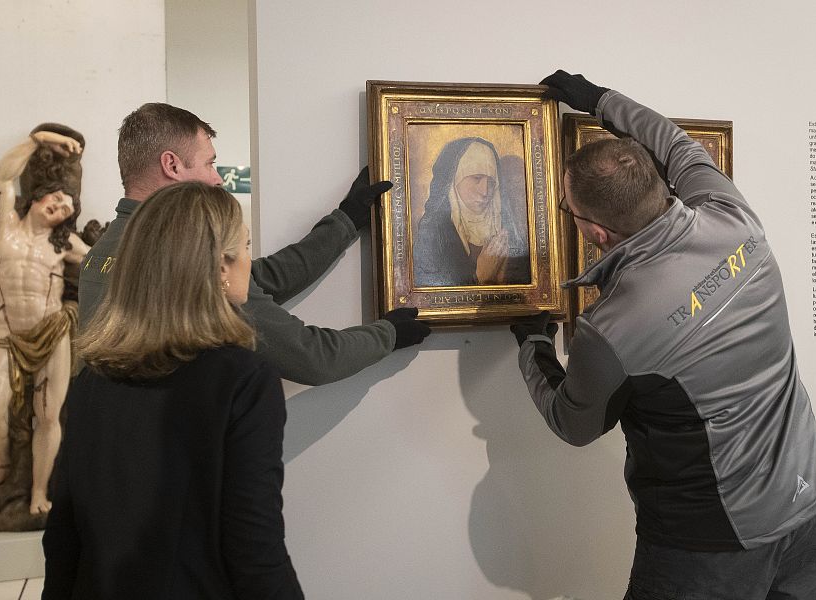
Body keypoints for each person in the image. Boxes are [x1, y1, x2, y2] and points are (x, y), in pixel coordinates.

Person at [511, 71, 816, 599]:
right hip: (807, 506)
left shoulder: (613, 325)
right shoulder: (733, 217)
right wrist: (600, 99)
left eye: (569, 209)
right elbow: (676, 143)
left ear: (595, 232)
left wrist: (533, 347)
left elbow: (574, 423)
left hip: (708, 546)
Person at [43, 182, 304, 599]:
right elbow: (255, 550)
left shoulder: (92, 378)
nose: (249, 261)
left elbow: (62, 540)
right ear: (221, 267)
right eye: (246, 246)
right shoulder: (241, 379)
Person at [78, 103, 430, 385]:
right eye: (210, 163)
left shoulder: (102, 251)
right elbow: (310, 356)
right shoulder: (181, 257)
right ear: (171, 165)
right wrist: (388, 334)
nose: (217, 179)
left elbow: (262, 278)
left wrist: (346, 219)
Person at [0, 125, 89, 515]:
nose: (61, 207)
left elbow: (100, 264)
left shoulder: (63, 243)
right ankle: (4, 466)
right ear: (38, 198)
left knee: (49, 415)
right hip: (6, 333)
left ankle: (39, 491)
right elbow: (2, 177)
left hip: (51, 330)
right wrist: (41, 140)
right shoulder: (5, 228)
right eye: (57, 199)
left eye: (67, 208)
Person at [413, 136, 529, 287]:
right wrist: (481, 277)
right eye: (477, 178)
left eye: (491, 182)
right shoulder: (432, 232)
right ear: (455, 179)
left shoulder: (507, 230)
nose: (485, 191)